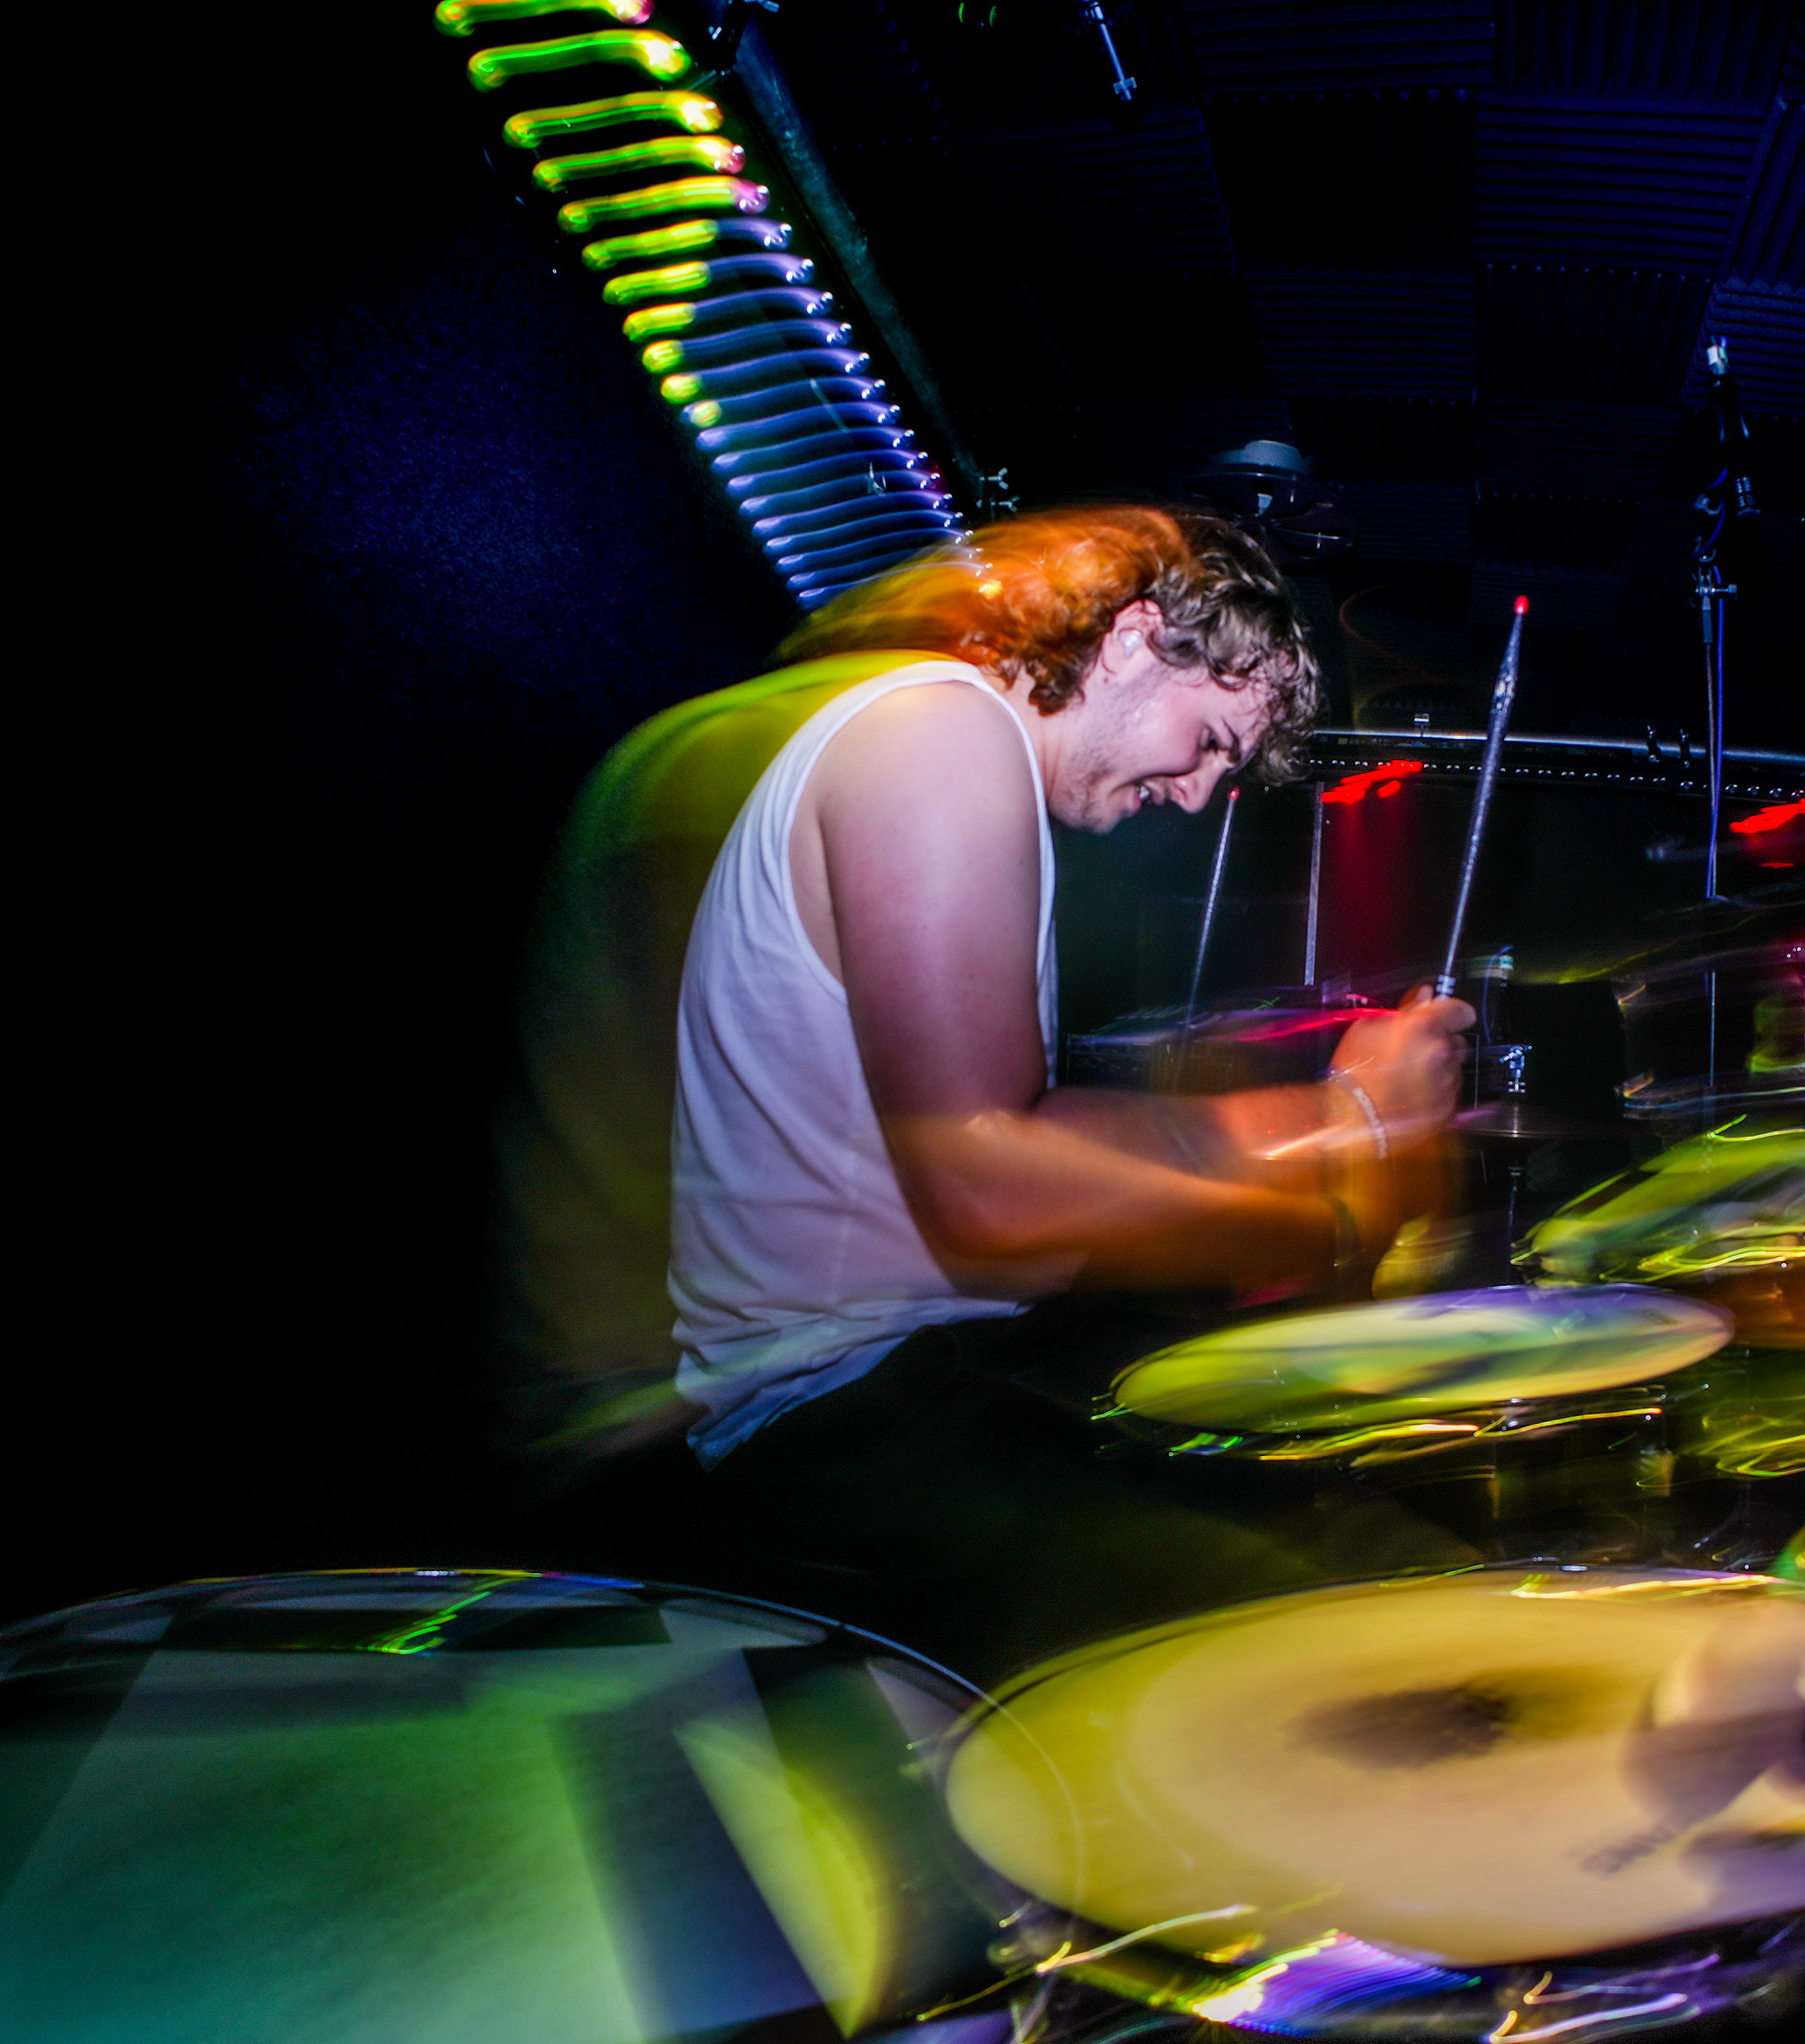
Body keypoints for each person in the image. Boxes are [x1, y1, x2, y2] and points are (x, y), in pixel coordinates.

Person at [499, 506, 1474, 1667]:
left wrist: (1340, 1120)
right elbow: (988, 1183)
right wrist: (1339, 1175)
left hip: (895, 1393)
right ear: (1133, 640)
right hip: (843, 1423)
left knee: (1338, 1541)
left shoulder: (938, 742)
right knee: (1348, 1631)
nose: (1200, 794)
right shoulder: (940, 730)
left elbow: (1020, 1140)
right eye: (1211, 741)